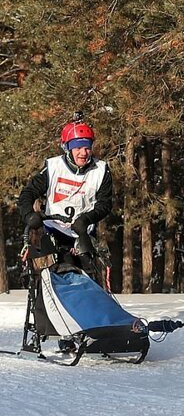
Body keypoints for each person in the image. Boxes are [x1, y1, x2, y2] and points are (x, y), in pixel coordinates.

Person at [18, 113, 113, 352]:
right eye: (78, 148)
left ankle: (89, 328)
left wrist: (87, 219)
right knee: (53, 276)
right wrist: (30, 216)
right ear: (68, 148)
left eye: (87, 147)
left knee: (87, 278)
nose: (83, 153)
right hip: (52, 229)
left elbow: (105, 204)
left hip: (81, 232)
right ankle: (49, 331)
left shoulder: (101, 170)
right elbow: (27, 194)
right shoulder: (53, 167)